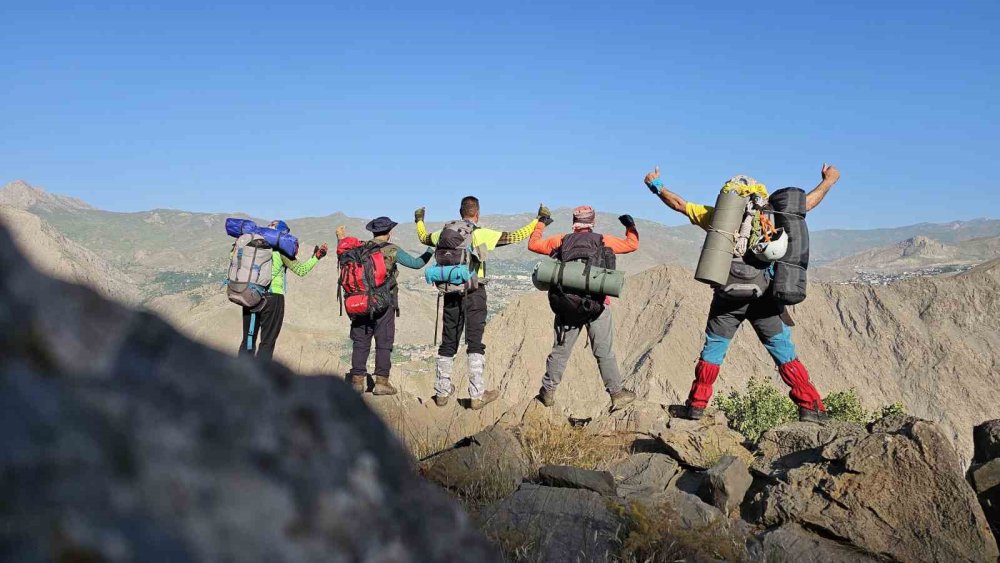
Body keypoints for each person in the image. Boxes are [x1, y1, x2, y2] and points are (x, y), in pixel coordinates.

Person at [643, 164, 841, 421]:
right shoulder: (773, 215)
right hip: (763, 299)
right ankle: (810, 406)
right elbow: (807, 204)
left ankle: (696, 406)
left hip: (727, 299)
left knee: (713, 350)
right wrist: (828, 181)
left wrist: (656, 185)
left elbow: (679, 204)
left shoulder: (719, 218)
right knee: (783, 350)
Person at [415, 197, 543, 409]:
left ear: (460, 212)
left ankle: (442, 393)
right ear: (477, 213)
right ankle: (477, 395)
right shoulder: (479, 233)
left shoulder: (444, 233)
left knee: (448, 342)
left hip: (450, 292)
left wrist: (419, 220)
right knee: (475, 343)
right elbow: (516, 236)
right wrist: (539, 221)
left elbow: (423, 238)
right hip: (474, 292)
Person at [527, 205, 640, 412]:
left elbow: (533, 244)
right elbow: (632, 245)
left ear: (574, 223)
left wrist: (541, 223)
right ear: (592, 222)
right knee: (604, 351)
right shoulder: (603, 240)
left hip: (567, 305)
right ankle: (617, 393)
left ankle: (548, 392)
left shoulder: (561, 240)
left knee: (560, 351)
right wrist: (630, 226)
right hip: (597, 306)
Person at [336, 217, 433, 395]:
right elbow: (416, 263)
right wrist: (430, 249)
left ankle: (357, 382)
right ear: (390, 232)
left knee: (360, 341)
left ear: (373, 232)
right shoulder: (391, 249)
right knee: (383, 341)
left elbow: (344, 258)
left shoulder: (360, 248)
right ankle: (381, 383)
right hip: (384, 303)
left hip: (359, 302)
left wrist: (340, 238)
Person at [239, 220, 328, 362]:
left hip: (250, 295)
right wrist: (316, 257)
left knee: (248, 339)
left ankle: (240, 372)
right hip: (273, 298)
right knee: (267, 342)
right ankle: (261, 374)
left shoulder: (251, 246)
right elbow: (301, 270)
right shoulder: (281, 251)